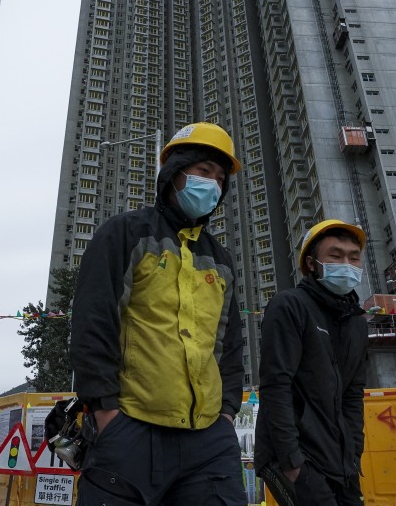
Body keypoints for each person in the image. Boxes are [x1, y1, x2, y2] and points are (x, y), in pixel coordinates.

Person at [70, 122, 247, 506]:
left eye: (220, 178)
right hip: (130, 429)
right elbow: (93, 323)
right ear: (175, 174)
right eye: (203, 172)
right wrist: (106, 413)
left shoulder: (221, 260)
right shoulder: (125, 233)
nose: (212, 185)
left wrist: (228, 414)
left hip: (209, 440)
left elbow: (230, 344)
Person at [254, 219, 369, 506]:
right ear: (312, 263)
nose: (347, 263)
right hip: (294, 457)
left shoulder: (357, 322)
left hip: (340, 459)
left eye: (353, 257)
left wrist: (354, 452)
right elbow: (275, 385)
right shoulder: (289, 305)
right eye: (335, 255)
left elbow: (353, 394)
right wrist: (292, 462)